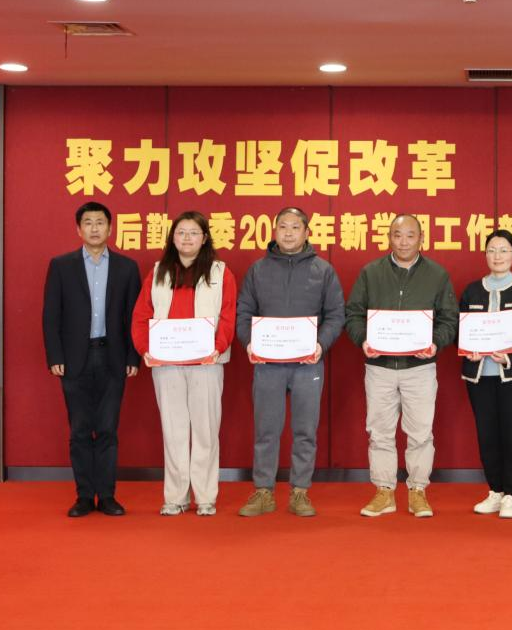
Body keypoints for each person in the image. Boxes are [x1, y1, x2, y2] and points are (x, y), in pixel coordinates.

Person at [345, 214, 459, 518]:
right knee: (379, 431)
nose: (404, 242)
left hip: (419, 368)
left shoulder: (437, 274)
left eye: (410, 235)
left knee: (420, 432)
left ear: (421, 238)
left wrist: (435, 343)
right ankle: (384, 491)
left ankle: (417, 490)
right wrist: (363, 340)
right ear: (389, 238)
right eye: (397, 235)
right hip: (379, 367)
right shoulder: (371, 272)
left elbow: (449, 318)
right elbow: (353, 313)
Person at [235, 207, 345, 518]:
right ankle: (263, 491)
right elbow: (244, 312)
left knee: (305, 429)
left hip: (308, 364)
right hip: (268, 363)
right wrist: (250, 343)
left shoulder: (323, 271)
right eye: (282, 226)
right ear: (274, 231)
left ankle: (300, 491)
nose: (288, 232)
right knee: (266, 429)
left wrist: (320, 345)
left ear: (307, 232)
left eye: (295, 227)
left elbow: (336, 315)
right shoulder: (258, 270)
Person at [131, 211, 237, 516]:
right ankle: (175, 497)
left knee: (206, 431)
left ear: (204, 238)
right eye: (181, 232)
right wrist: (145, 348)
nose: (187, 238)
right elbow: (141, 315)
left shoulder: (220, 272)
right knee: (174, 430)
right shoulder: (158, 272)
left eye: (193, 232)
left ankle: (205, 497)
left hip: (207, 362)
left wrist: (217, 347)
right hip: (167, 364)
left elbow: (228, 314)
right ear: (172, 238)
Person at [42, 202, 141, 517]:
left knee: (108, 429)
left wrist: (133, 356)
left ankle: (107, 496)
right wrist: (55, 355)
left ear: (110, 228)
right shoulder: (61, 266)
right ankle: (84, 496)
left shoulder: (127, 268)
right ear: (78, 229)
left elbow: (134, 316)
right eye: (88, 222)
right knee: (80, 429)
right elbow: (51, 316)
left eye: (100, 222)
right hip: (74, 359)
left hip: (113, 357)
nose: (95, 228)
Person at [459, 230, 512, 520]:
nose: (497, 256)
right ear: (485, 254)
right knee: (487, 434)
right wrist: (467, 349)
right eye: (492, 250)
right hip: (480, 375)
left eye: (504, 250)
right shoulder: (472, 290)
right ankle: (495, 490)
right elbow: (462, 329)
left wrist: (510, 357)